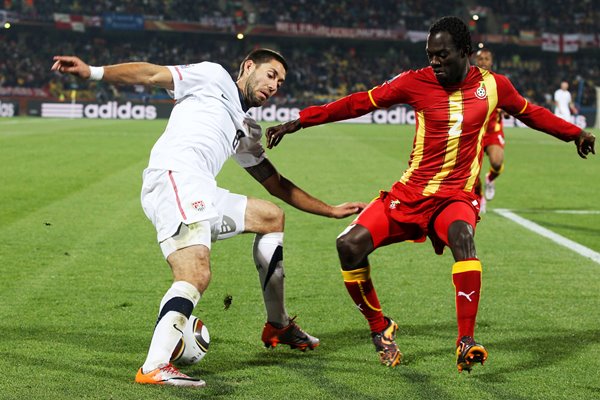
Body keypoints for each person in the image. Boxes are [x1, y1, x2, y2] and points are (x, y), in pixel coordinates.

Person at [266, 16, 595, 373]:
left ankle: (465, 340)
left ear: (465, 52)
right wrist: (302, 119)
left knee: (463, 237)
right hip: (411, 194)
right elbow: (359, 102)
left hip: (455, 198)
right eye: (430, 55)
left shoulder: (495, 86)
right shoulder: (414, 81)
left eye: (442, 54)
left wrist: (574, 133)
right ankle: (380, 326)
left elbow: (531, 113)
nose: (434, 62)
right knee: (349, 245)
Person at [51, 49, 366, 388]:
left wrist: (331, 210)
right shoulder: (212, 76)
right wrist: (93, 72)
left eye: (281, 81)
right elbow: (152, 75)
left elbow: (276, 184)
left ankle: (278, 324)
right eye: (271, 74)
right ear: (248, 67)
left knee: (271, 217)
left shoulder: (246, 128)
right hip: (176, 177)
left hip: (201, 189)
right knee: (195, 273)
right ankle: (155, 366)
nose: (275, 85)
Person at [474, 48, 505, 211]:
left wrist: (507, 109)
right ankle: (479, 197)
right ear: (474, 61)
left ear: (491, 62)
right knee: (472, 170)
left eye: (487, 59)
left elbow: (511, 101)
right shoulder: (468, 81)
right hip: (474, 132)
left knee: (497, 162)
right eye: (480, 59)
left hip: (493, 131)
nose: (483, 62)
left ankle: (490, 178)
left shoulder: (499, 82)